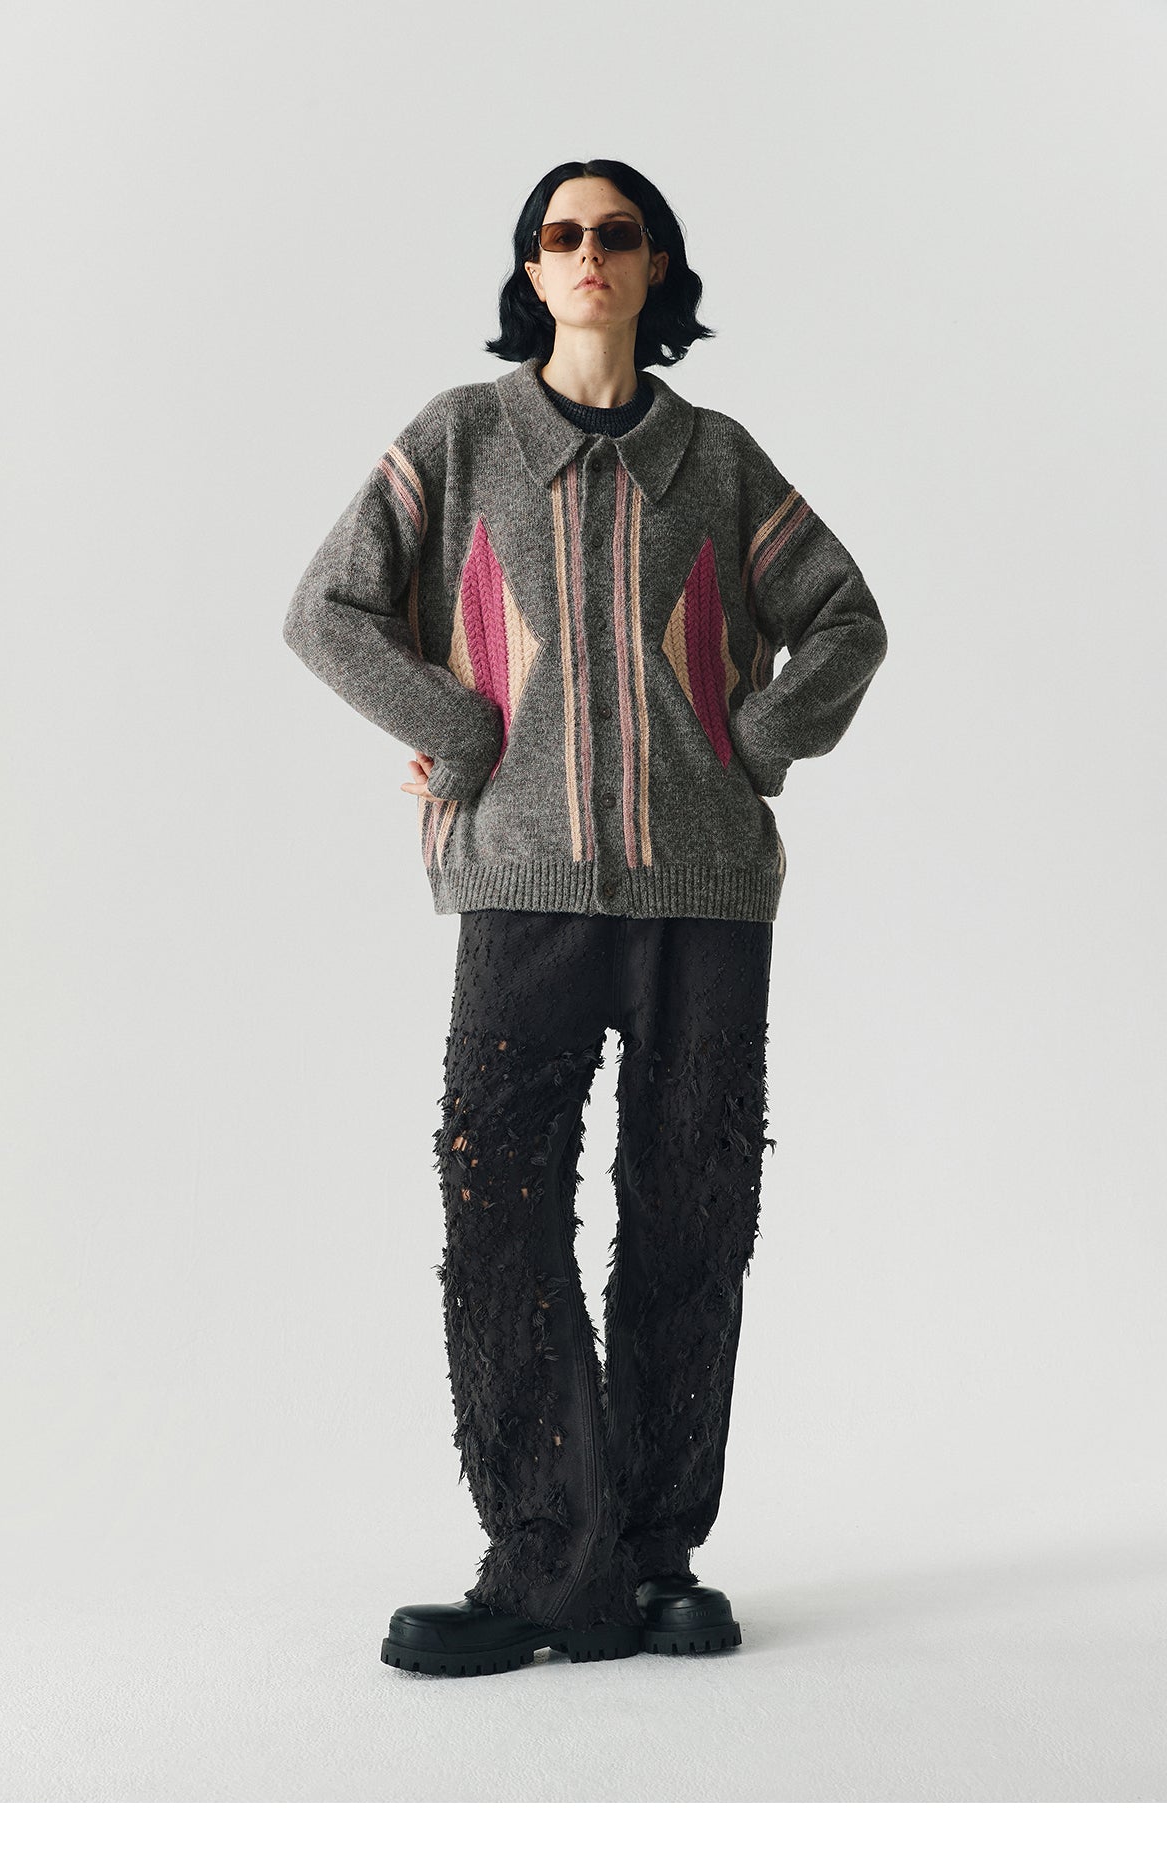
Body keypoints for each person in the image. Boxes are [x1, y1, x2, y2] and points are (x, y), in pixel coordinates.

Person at [282, 158, 888, 1678]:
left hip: (705, 892)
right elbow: (328, 608)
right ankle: (547, 1560)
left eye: (617, 233)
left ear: (657, 264)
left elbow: (845, 616)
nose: (588, 254)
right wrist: (457, 726)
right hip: (521, 889)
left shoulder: (718, 460)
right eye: (560, 235)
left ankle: (658, 1558)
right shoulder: (462, 437)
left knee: (693, 1212)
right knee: (497, 1209)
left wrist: (758, 740)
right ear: (531, 270)